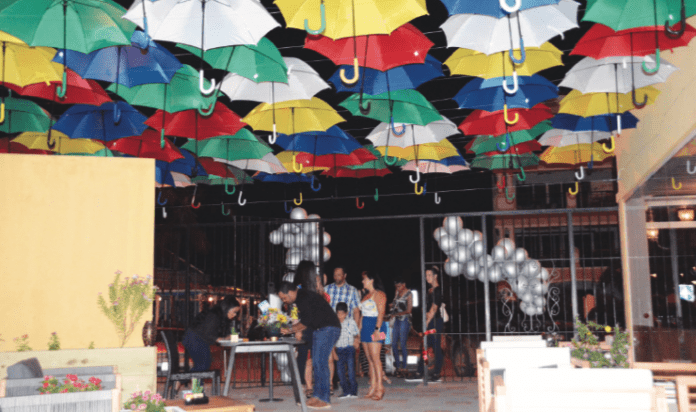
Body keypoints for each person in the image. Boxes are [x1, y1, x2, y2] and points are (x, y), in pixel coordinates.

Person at [279, 278, 340, 410]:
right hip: (319, 330)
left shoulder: (303, 297)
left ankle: (324, 399)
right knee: (316, 363)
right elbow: (309, 320)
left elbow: (305, 322)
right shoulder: (301, 297)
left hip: (328, 328)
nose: (284, 301)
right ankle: (317, 396)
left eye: (284, 298)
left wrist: (290, 330)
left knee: (320, 362)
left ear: (290, 292)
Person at [182, 296, 241, 372]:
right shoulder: (214, 315)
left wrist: (225, 338)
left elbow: (212, 333)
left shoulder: (220, 316)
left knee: (204, 365)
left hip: (197, 338)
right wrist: (219, 339)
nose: (235, 314)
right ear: (227, 308)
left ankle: (195, 380)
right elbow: (207, 332)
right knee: (203, 365)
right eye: (234, 311)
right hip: (194, 338)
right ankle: (185, 378)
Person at [407, 266, 443, 383]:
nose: (427, 277)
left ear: (435, 276)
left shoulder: (437, 290)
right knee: (424, 347)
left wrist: (426, 323)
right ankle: (421, 372)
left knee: (436, 348)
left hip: (435, 322)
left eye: (429, 275)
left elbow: (434, 308)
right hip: (430, 321)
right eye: (426, 275)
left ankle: (436, 373)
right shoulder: (430, 290)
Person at [359, 270, 387, 401]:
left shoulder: (379, 294)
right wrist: (359, 331)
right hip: (365, 327)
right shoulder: (366, 295)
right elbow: (362, 314)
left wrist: (377, 329)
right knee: (369, 358)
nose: (362, 281)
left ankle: (380, 387)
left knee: (376, 358)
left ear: (371, 280)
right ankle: (373, 386)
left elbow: (381, 313)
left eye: (364, 279)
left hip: (377, 326)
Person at [334, 302, 359, 399]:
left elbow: (356, 334)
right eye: (338, 314)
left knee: (351, 371)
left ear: (346, 313)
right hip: (339, 350)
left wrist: (356, 341)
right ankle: (346, 391)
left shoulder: (351, 322)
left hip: (349, 349)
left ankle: (353, 391)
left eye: (342, 314)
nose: (340, 316)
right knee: (340, 372)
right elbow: (332, 339)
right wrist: (333, 352)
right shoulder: (335, 324)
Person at [390, 277, 413, 378]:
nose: (398, 288)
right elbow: (394, 304)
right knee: (394, 343)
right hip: (397, 319)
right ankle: (398, 366)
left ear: (404, 284)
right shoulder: (397, 292)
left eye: (399, 286)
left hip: (405, 319)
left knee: (403, 343)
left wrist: (397, 314)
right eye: (396, 287)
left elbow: (409, 310)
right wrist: (391, 308)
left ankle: (404, 367)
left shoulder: (409, 294)